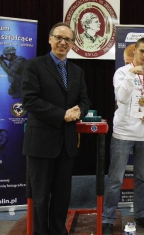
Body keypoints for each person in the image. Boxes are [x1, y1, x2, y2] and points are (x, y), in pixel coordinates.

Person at [21, 22, 90, 235]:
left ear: (72, 44)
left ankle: (59, 231)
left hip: (66, 144)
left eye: (67, 39)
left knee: (62, 195)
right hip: (41, 143)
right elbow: (30, 100)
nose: (63, 42)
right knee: (40, 197)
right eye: (59, 38)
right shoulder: (34, 65)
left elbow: (85, 101)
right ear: (50, 39)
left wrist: (81, 110)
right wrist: (62, 114)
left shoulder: (77, 71)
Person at [102, 38, 144, 234]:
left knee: (141, 178)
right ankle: (108, 218)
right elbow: (121, 97)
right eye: (142, 51)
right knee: (115, 179)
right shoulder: (121, 72)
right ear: (134, 51)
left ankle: (141, 214)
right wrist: (130, 75)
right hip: (123, 132)